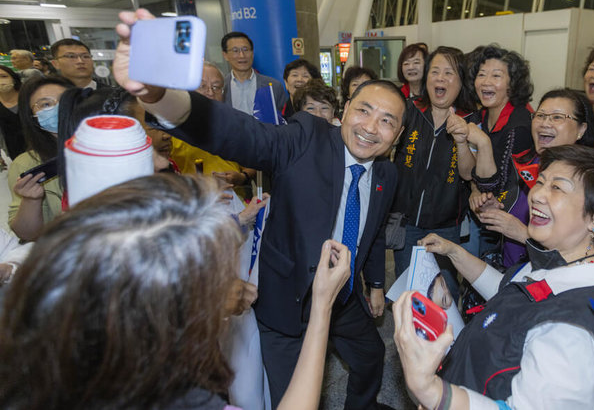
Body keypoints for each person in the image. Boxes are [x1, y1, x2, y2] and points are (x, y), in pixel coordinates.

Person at [113, 8, 407, 410]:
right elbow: (242, 135)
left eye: (387, 121)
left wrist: (374, 285)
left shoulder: (387, 175)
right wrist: (160, 96)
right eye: (364, 111)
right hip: (288, 302)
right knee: (294, 396)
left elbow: (370, 236)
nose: (372, 127)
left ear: (399, 134)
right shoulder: (304, 138)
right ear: (343, 112)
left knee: (372, 357)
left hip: (343, 296)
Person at [0, 174, 353, 410]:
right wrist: (322, 306)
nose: (236, 294)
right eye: (221, 285)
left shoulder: (36, 345)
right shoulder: (177, 397)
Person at [394, 145, 594, 409]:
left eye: (557, 188)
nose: (536, 195)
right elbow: (509, 292)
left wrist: (436, 394)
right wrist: (454, 253)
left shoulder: (572, 331)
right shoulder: (558, 260)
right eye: (540, 182)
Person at [465, 88, 594, 266]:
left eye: (557, 117)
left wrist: (522, 234)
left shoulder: (588, 178)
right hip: (511, 273)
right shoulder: (524, 162)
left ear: (581, 129)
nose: (545, 123)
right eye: (540, 115)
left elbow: (580, 251)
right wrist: (496, 210)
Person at [390, 46, 476, 299]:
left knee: (445, 293)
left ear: (461, 82)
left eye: (449, 73)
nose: (440, 78)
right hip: (406, 224)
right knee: (410, 292)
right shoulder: (409, 110)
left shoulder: (471, 120)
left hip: (447, 226)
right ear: (426, 78)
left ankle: (448, 340)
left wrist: (461, 139)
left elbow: (469, 174)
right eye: (435, 71)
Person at [464, 45, 533, 261]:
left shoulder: (519, 126)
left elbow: (498, 184)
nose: (486, 82)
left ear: (512, 85)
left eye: (496, 76)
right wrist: (475, 190)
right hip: (485, 214)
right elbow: (470, 172)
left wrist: (483, 142)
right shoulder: (480, 117)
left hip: (513, 222)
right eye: (481, 75)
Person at [172, 63, 257, 200]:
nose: (210, 93)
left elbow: (253, 163)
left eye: (216, 87)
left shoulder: (235, 125)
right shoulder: (171, 127)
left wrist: (242, 177)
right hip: (192, 205)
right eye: (202, 86)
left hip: (235, 204)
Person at [7, 76, 73, 240]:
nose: (58, 109)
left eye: (64, 101)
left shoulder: (108, 143)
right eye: (46, 104)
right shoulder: (26, 163)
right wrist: (31, 200)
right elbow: (27, 234)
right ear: (32, 116)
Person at [221, 31, 287, 116]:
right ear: (225, 55)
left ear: (252, 53)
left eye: (246, 49)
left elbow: (283, 121)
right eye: (235, 50)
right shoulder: (220, 87)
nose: (242, 55)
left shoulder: (273, 86)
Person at [0, 66, 25, 160]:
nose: (1, 81)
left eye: (4, 76)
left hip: (38, 142)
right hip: (12, 148)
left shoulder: (27, 96)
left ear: (13, 78)